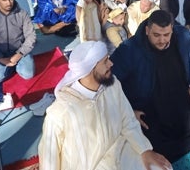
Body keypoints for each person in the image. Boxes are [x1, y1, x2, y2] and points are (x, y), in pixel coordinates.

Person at [39, 41, 172, 170]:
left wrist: (145, 150)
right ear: (90, 69)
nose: (111, 63)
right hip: (88, 165)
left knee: (161, 168)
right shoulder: (60, 112)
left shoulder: (113, 85)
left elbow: (128, 120)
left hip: (120, 151)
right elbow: (50, 159)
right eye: (105, 62)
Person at [111, 10, 190, 163]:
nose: (162, 40)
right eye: (156, 35)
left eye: (166, 35)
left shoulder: (183, 37)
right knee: (156, 146)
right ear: (147, 30)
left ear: (172, 29)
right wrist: (129, 110)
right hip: (150, 105)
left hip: (179, 98)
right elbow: (110, 84)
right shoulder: (129, 50)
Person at [0, 0, 35, 85]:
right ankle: (10, 67)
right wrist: (0, 58)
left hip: (20, 52)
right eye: (4, 0)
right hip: (0, 55)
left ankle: (14, 65)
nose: (8, 3)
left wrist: (19, 54)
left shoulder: (22, 14)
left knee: (28, 74)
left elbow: (31, 36)